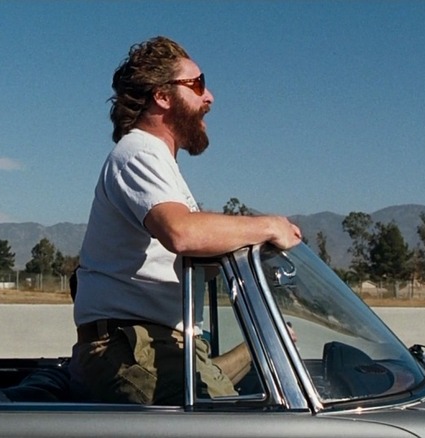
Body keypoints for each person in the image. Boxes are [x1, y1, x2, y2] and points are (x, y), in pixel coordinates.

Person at [71, 36, 302, 405]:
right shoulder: (137, 152)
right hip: (134, 349)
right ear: (162, 96)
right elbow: (181, 233)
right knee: (233, 427)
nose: (209, 97)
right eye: (197, 85)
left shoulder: (158, 163)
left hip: (154, 345)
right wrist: (269, 226)